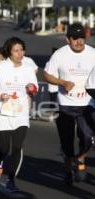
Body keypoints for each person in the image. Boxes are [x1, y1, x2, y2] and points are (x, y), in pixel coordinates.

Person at [43, 23, 95, 185]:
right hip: (65, 103)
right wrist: (62, 82)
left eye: (82, 38)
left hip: (87, 103)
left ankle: (80, 159)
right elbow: (46, 75)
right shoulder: (60, 55)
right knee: (67, 142)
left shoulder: (93, 53)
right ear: (68, 39)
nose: (79, 42)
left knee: (87, 137)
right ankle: (68, 170)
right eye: (75, 39)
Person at [0, 37, 38, 192]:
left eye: (21, 50)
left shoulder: (28, 68)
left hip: (21, 112)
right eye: (16, 50)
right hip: (2, 111)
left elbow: (34, 87)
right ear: (9, 52)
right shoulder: (0, 67)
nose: (20, 53)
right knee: (4, 148)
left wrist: (31, 88)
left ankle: (11, 180)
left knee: (17, 147)